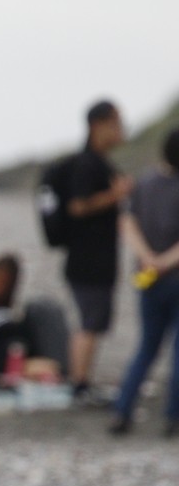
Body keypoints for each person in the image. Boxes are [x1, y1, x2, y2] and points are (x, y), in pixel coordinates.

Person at [111, 129, 179, 436]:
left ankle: (123, 410)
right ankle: (172, 418)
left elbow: (127, 222)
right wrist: (165, 260)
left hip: (147, 276)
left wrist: (148, 257)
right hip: (173, 274)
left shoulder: (145, 183)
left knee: (146, 347)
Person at [64, 99, 133, 403]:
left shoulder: (101, 162)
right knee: (90, 321)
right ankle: (78, 384)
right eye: (115, 122)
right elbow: (77, 206)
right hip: (86, 258)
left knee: (96, 320)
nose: (120, 129)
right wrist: (114, 195)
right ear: (98, 125)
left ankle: (82, 381)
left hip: (100, 258)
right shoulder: (87, 163)